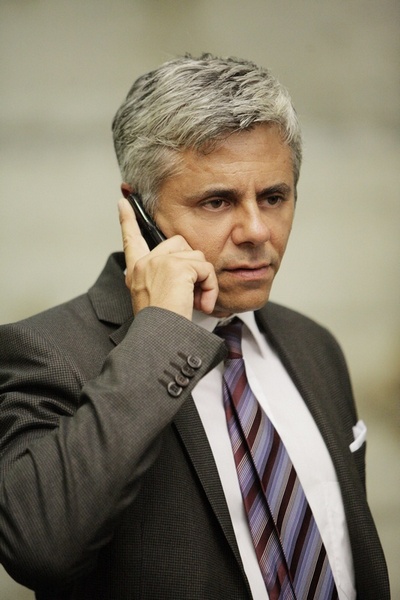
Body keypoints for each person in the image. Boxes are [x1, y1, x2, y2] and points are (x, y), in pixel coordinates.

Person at [0, 54, 390, 600]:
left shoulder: (313, 345)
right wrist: (159, 332)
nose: (256, 231)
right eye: (217, 201)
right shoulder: (45, 351)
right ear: (139, 212)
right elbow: (39, 548)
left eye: (274, 197)